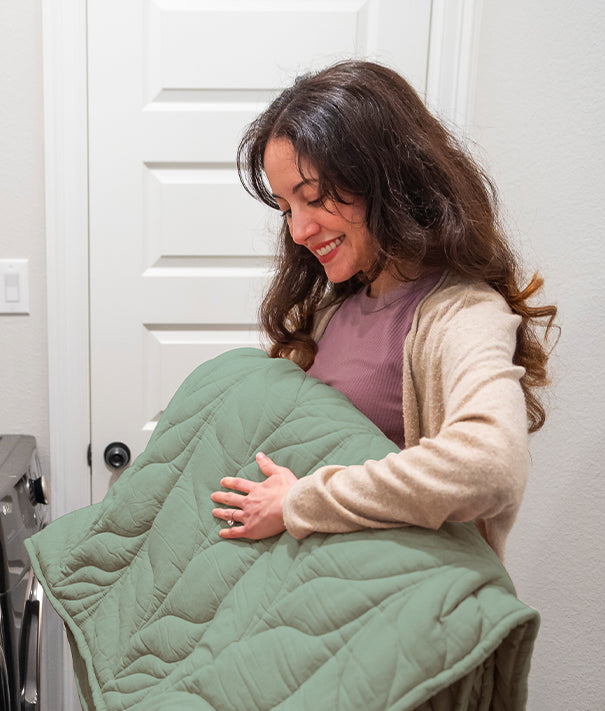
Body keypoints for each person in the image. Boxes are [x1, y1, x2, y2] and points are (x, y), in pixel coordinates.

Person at [210, 60, 557, 561]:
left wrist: (300, 501)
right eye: (287, 209)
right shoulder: (335, 309)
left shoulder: (462, 314)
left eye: (313, 198)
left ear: (386, 179)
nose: (299, 231)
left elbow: (491, 466)